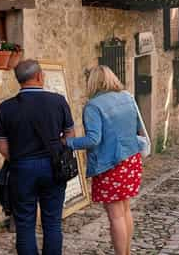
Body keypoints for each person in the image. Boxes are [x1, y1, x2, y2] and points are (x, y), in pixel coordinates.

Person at [0, 59, 75, 255]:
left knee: (25, 225)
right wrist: (57, 147)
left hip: (22, 169)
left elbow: (2, 146)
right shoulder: (58, 101)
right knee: (52, 223)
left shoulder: (6, 107)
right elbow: (70, 135)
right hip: (53, 167)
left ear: (19, 80)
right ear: (39, 76)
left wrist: (20, 158)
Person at [66, 66, 143, 255]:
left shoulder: (94, 106)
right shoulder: (127, 97)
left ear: (92, 82)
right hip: (131, 159)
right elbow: (138, 128)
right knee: (125, 210)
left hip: (110, 164)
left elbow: (94, 139)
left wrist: (68, 142)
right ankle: (126, 252)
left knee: (115, 216)